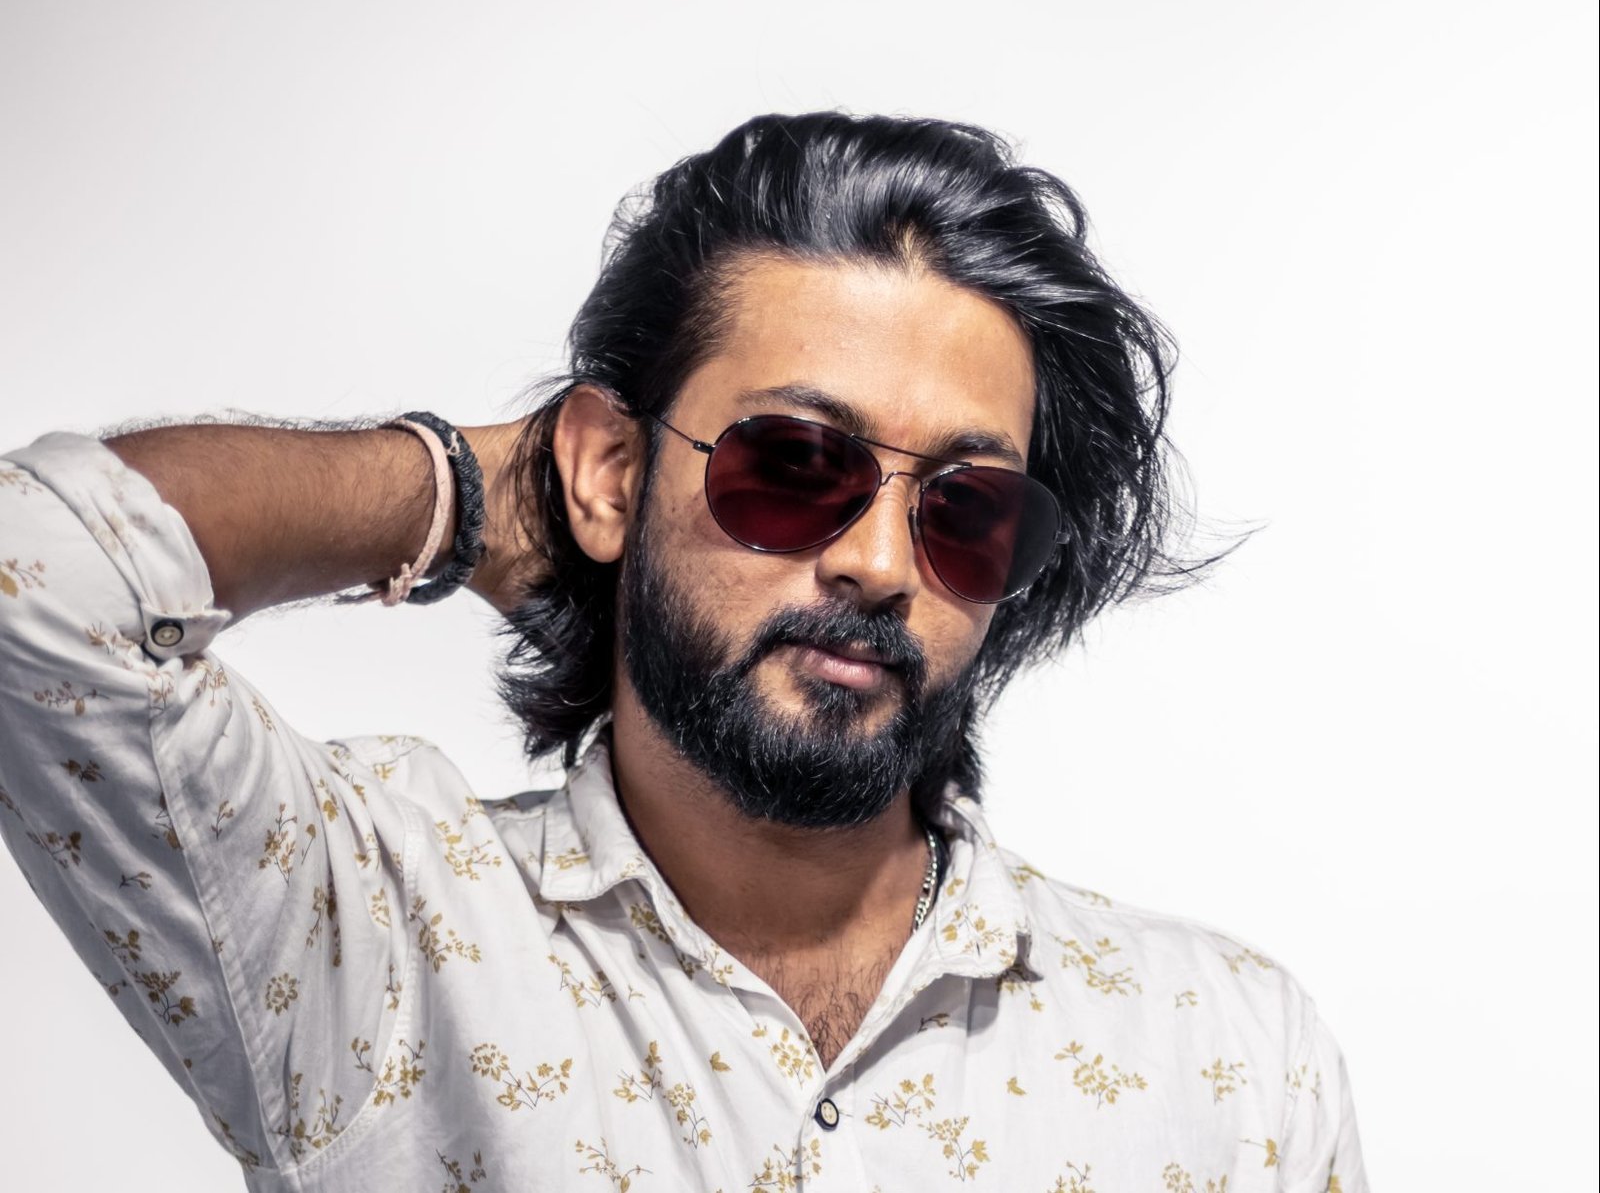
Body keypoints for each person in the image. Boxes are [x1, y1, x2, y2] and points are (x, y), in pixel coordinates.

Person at [0, 112, 1367, 1191]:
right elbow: (35, 569)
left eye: (964, 508)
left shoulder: (1229, 1056)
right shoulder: (382, 936)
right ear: (607, 469)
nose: (881, 564)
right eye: (794, 464)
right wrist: (482, 494)